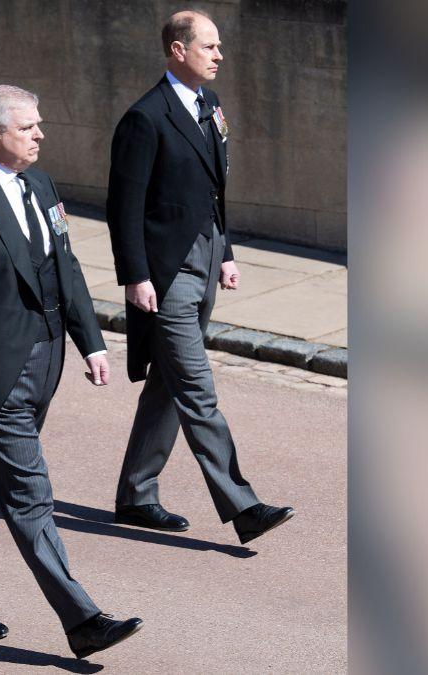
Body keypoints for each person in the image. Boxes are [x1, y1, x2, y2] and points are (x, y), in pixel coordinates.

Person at [0, 85, 143, 660]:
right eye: (28, 127)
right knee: (29, 493)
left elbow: (64, 268)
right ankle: (82, 619)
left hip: (45, 361)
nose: (40, 134)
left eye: (39, 124)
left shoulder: (41, 186)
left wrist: (91, 342)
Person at [105, 10, 295, 545]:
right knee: (197, 389)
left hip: (205, 259)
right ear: (177, 51)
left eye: (218, 46)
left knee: (168, 387)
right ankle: (243, 505)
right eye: (208, 46)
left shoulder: (209, 105)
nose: (219, 55)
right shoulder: (145, 118)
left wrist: (226, 251)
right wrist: (135, 276)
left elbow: (214, 192)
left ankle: (136, 496)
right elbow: (125, 207)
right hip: (166, 275)